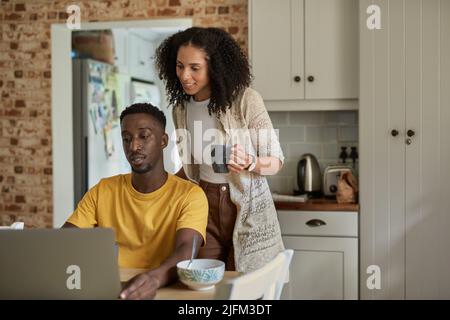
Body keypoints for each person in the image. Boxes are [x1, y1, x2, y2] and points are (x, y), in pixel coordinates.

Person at [155, 27, 285, 273]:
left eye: (194, 68)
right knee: (204, 281)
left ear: (214, 67)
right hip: (202, 201)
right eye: (180, 66)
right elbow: (192, 167)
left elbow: (276, 161)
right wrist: (161, 191)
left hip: (246, 207)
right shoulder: (180, 110)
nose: (184, 75)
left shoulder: (245, 100)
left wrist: (251, 163)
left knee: (245, 285)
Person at [63, 103, 208, 300]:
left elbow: (186, 250)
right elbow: (66, 240)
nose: (133, 146)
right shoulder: (103, 190)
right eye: (126, 138)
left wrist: (154, 279)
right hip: (112, 291)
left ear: (163, 141)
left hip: (163, 290)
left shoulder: (191, 195)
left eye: (144, 136)